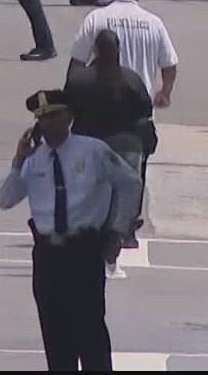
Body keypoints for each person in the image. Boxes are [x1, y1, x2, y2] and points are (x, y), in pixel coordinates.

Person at [0, 89, 142, 371]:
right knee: (54, 332)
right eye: (42, 118)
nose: (48, 123)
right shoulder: (34, 159)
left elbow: (130, 183)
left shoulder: (92, 150)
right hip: (48, 254)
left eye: (54, 115)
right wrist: (18, 160)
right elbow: (6, 199)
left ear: (69, 117)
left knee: (90, 332)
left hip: (83, 251)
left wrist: (116, 229)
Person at [63, 29, 153, 279]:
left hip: (87, 145)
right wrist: (149, 142)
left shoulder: (79, 79)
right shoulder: (131, 79)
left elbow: (65, 110)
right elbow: (144, 114)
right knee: (122, 201)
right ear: (119, 51)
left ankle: (86, 250)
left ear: (95, 51)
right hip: (126, 146)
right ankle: (115, 243)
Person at [66, 0, 177, 105]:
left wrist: (70, 98)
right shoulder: (154, 23)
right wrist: (165, 93)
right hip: (140, 107)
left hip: (102, 105)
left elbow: (78, 61)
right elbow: (169, 65)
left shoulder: (96, 18)